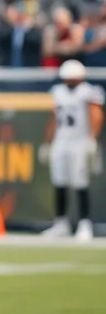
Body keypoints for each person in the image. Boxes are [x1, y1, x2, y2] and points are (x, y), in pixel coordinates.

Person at [40, 59, 104, 241]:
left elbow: (96, 115)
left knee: (80, 182)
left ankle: (85, 223)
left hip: (80, 141)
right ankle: (61, 222)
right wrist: (48, 142)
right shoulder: (58, 92)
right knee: (59, 182)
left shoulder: (89, 92)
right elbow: (54, 119)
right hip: (62, 141)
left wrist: (92, 139)